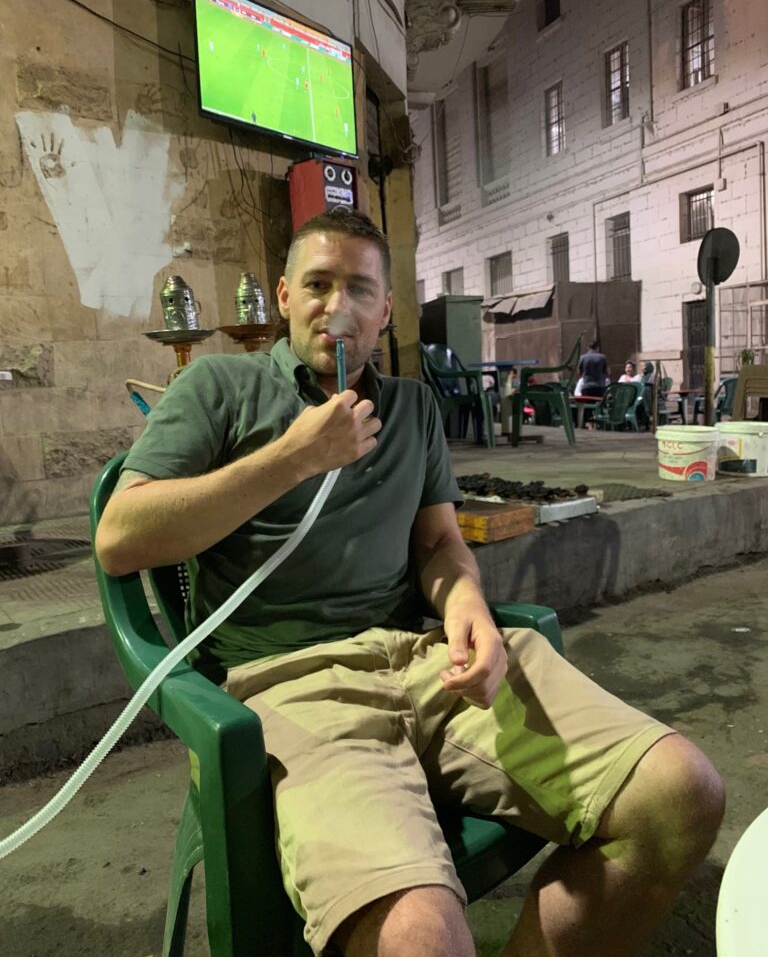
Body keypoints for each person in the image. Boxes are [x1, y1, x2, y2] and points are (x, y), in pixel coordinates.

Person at [95, 211, 724, 957]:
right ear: (285, 296)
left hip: (429, 662)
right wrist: (293, 459)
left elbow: (438, 542)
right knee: (420, 940)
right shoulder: (218, 387)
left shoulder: (413, 408)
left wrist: (470, 612)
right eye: (319, 286)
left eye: (359, 289)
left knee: (680, 795)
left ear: (385, 310)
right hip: (293, 686)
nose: (337, 309)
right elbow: (120, 539)